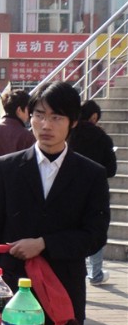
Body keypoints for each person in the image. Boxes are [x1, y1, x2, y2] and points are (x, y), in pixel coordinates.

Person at [0, 81, 110, 325]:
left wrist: (44, 244)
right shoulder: (6, 168)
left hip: (64, 291)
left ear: (73, 122)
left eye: (56, 117)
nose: (46, 125)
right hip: (11, 290)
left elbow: (95, 236)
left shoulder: (91, 175)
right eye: (39, 115)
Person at [68, 99, 117, 285]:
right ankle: (95, 273)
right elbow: (111, 170)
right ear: (94, 116)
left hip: (68, 188)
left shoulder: (69, 134)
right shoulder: (102, 137)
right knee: (94, 228)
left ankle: (73, 270)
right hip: (94, 192)